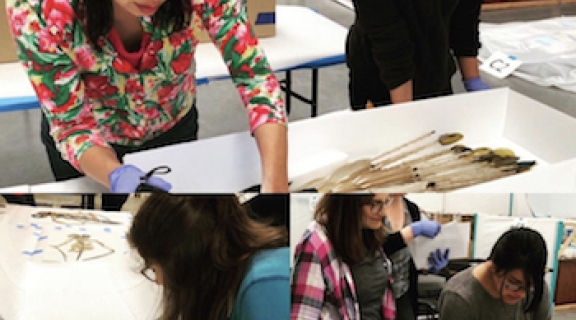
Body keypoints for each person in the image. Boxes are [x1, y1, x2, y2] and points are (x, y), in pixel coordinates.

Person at [6, 0, 288, 192]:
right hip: (89, 151)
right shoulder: (38, 8)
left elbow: (254, 75)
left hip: (173, 125)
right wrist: (116, 175)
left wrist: (275, 188)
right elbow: (72, 125)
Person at [128, 193, 290, 320]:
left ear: (186, 263)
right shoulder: (233, 284)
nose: (158, 281)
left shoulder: (265, 287)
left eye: (155, 269)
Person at [291, 193, 443, 319]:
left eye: (385, 202)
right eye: (375, 204)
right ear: (350, 203)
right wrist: (411, 232)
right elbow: (304, 314)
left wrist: (426, 267)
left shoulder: (370, 233)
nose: (383, 212)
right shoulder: (316, 242)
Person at [346, 0, 491, 110]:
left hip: (434, 68)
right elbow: (390, 44)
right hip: (381, 79)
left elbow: (464, 20)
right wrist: (406, 114)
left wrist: (473, 81)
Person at [438, 227, 551, 320]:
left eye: (529, 286)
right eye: (513, 283)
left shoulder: (536, 288)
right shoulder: (460, 298)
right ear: (493, 267)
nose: (522, 294)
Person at [383, 194, 450, 320]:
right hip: (376, 293)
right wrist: (410, 232)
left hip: (404, 291)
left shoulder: (411, 208)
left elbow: (413, 253)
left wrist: (427, 266)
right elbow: (371, 249)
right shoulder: (373, 207)